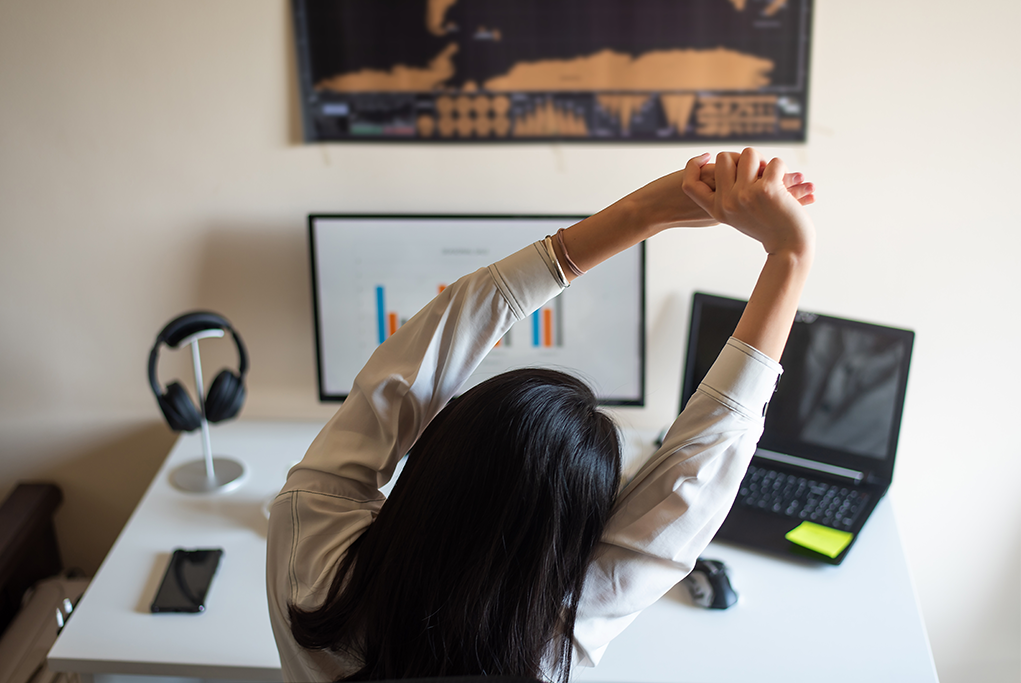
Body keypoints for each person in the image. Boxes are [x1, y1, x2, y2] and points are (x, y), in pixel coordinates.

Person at [266, 148, 816, 683]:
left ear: (435, 455)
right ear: (572, 541)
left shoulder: (308, 552)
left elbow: (409, 368)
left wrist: (645, 213)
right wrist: (788, 253)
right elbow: (688, 491)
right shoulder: (552, 644)